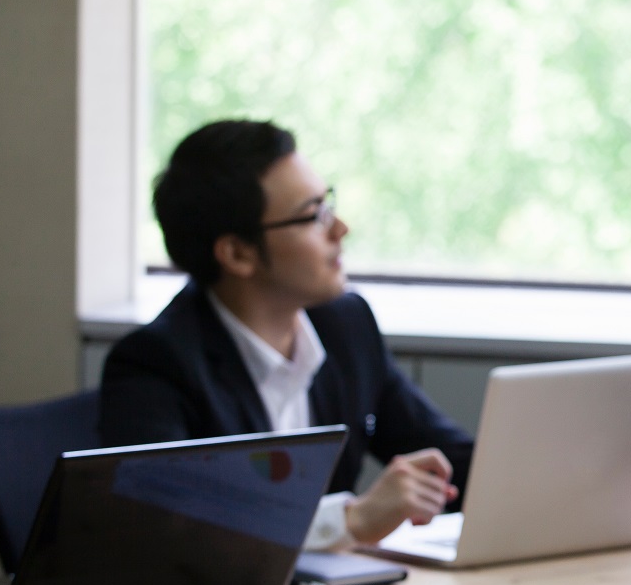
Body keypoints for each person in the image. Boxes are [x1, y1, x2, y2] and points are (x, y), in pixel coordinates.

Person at [100, 119, 474, 551]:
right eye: (313, 215)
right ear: (238, 253)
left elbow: (455, 462)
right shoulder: (155, 364)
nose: (340, 229)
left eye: (328, 204)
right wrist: (351, 521)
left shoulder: (344, 325)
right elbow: (172, 531)